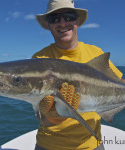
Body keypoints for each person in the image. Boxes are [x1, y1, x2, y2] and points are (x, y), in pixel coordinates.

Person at [32, 0, 123, 150]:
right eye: (54, 19)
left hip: (91, 144)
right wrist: (54, 117)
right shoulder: (39, 59)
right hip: (49, 145)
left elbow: (119, 83)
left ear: (77, 20)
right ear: (48, 25)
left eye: (68, 16)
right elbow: (42, 119)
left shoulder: (95, 53)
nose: (62, 23)